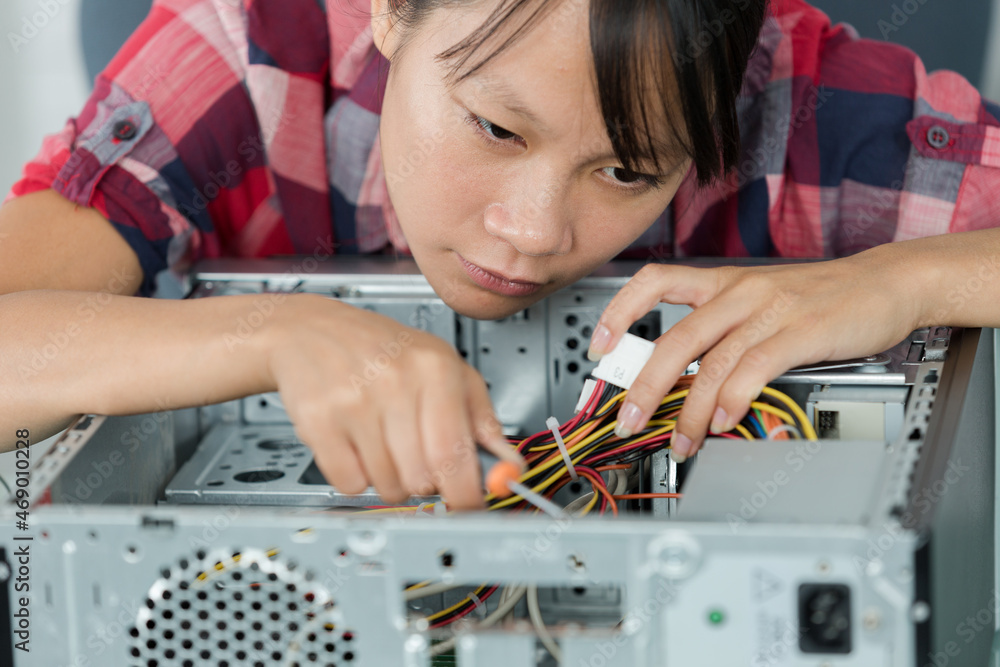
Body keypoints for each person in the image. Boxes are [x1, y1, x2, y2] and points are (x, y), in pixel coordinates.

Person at [1, 0, 998, 509]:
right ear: (393, 11)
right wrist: (276, 330)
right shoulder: (250, 49)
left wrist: (896, 280)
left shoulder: (815, 112)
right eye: (494, 129)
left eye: (627, 170)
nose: (532, 233)